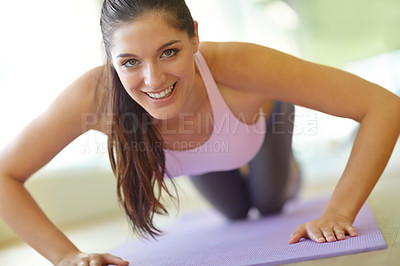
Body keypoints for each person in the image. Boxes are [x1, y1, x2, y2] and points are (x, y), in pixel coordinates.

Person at [0, 0, 399, 265]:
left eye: (169, 51)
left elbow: (383, 105)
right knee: (235, 212)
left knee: (270, 201)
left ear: (194, 36)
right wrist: (66, 256)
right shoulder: (95, 98)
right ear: (110, 59)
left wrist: (338, 211)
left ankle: (288, 159)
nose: (153, 79)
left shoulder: (240, 66)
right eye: (130, 61)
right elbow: (5, 174)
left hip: (253, 128)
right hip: (201, 156)